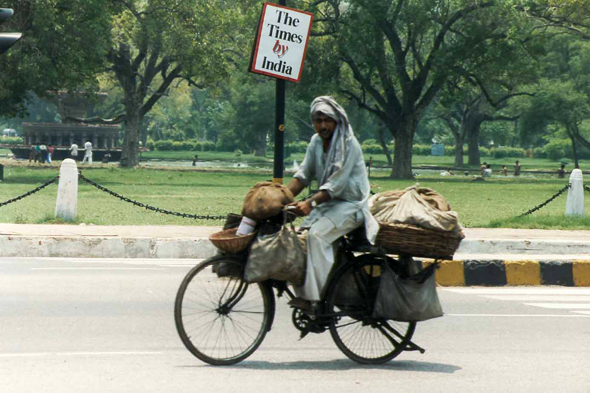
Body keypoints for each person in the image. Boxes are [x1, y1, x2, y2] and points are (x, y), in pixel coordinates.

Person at [286, 96, 379, 310]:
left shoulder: (349, 144)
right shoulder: (315, 142)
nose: (323, 125)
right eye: (318, 120)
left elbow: (335, 185)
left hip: (351, 206)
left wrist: (310, 203)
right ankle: (313, 293)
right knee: (300, 239)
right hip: (330, 205)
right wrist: (282, 195)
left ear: (337, 121)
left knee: (316, 236)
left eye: (327, 120)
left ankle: (314, 301)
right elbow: (303, 175)